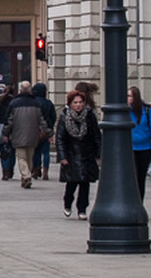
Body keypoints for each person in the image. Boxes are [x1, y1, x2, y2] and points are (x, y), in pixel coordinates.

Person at [57, 89, 100, 220]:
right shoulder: (65, 117)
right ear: (70, 104)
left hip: (86, 155)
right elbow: (60, 138)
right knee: (71, 183)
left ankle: (82, 209)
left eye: (81, 102)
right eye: (75, 102)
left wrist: (99, 152)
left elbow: (96, 135)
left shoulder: (90, 116)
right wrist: (62, 156)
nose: (78, 105)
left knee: (85, 184)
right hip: (71, 155)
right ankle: (67, 204)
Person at [3, 81, 48, 188]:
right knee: (29, 158)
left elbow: (9, 121)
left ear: (20, 90)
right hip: (33, 135)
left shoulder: (14, 103)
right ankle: (25, 178)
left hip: (18, 135)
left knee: (21, 157)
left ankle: (26, 176)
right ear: (30, 91)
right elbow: (42, 120)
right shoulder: (36, 104)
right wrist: (48, 132)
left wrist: (5, 133)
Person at [128, 85, 151, 201]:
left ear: (135, 97)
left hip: (144, 149)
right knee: (131, 178)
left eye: (129, 96)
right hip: (130, 149)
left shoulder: (146, 111)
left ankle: (139, 202)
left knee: (141, 178)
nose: (126, 98)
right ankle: (131, 201)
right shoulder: (124, 111)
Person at [0, 84, 17, 180]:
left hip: (0, 128)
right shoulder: (13, 101)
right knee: (12, 151)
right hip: (12, 128)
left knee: (3, 151)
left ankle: (5, 171)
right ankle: (10, 170)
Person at [31, 82, 56, 179]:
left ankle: (36, 170)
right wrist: (50, 129)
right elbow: (53, 117)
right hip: (46, 131)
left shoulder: (33, 102)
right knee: (46, 152)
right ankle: (45, 172)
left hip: (35, 130)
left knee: (35, 152)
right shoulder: (49, 103)